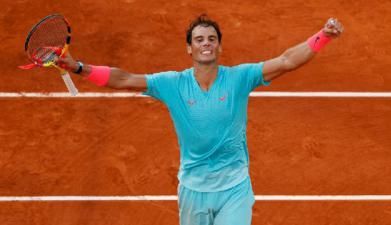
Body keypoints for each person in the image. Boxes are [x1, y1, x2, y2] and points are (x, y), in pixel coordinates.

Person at [57, 14, 344, 225]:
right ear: (189, 49)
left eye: (211, 39)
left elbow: (286, 61)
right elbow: (124, 79)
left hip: (234, 188)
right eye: (199, 40)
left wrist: (323, 37)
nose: (206, 43)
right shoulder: (172, 84)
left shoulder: (239, 77)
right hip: (194, 190)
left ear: (219, 47)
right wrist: (80, 67)